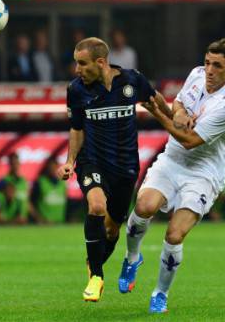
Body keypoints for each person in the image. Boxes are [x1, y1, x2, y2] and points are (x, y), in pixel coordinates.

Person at [118, 38, 225, 313]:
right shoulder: (196, 74)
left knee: (174, 234)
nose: (209, 70)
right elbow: (179, 104)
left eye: (217, 66)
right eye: (208, 62)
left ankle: (160, 293)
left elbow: (189, 140)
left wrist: (157, 114)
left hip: (202, 174)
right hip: (172, 161)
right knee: (143, 206)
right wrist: (181, 112)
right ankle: (132, 257)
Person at [56, 37, 171, 302]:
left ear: (101, 62)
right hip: (92, 161)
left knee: (111, 230)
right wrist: (70, 162)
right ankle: (96, 276)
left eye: (82, 63)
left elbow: (154, 99)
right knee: (96, 206)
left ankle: (94, 260)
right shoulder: (76, 90)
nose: (77, 69)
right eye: (76, 63)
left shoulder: (132, 81)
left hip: (125, 166)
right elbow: (76, 128)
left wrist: (173, 115)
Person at [0, 152, 43, 224]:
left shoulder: (24, 181)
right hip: (9, 221)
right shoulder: (3, 181)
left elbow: (26, 202)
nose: (15, 165)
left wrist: (37, 218)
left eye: (16, 163)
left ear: (19, 163)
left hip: (22, 221)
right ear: (9, 164)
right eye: (12, 163)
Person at [31, 158, 67, 223]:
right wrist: (38, 218)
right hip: (45, 224)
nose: (52, 169)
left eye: (54, 167)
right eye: (50, 167)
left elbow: (66, 202)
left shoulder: (62, 183)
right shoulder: (40, 182)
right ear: (47, 168)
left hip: (60, 223)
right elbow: (30, 202)